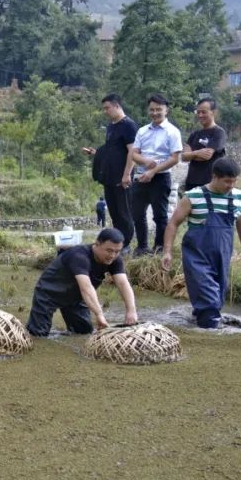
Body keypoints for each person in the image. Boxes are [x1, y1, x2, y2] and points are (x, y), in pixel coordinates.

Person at [162, 158, 241, 329]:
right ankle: (211, 330)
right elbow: (173, 223)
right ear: (214, 177)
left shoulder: (239, 197)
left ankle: (201, 320)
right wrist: (167, 251)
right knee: (208, 296)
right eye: (227, 181)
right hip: (196, 256)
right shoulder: (193, 196)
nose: (231, 185)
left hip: (222, 255)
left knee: (218, 295)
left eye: (234, 181)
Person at [26, 228, 139, 336]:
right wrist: (99, 314)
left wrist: (131, 311)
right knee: (38, 334)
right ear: (97, 244)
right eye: (109, 250)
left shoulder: (115, 260)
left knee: (83, 333)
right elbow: (86, 287)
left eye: (117, 251)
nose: (112, 255)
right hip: (48, 294)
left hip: (75, 298)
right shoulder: (79, 256)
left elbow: (123, 284)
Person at [81, 94, 138, 248]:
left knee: (124, 213)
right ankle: (117, 244)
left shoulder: (129, 125)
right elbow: (110, 150)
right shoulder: (112, 126)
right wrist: (95, 153)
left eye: (107, 108)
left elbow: (132, 151)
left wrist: (127, 174)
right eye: (104, 108)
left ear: (117, 106)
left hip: (122, 178)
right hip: (109, 177)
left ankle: (125, 245)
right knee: (114, 212)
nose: (105, 111)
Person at [128, 94, 183, 255]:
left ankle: (159, 248)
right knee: (137, 214)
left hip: (160, 177)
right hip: (141, 176)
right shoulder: (142, 130)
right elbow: (134, 154)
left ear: (166, 110)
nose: (155, 113)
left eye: (159, 109)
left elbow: (175, 158)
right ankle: (142, 246)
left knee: (160, 216)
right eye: (152, 109)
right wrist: (145, 162)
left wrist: (153, 170)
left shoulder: (172, 132)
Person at [180, 98, 227, 194]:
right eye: (198, 112)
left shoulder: (218, 132)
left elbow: (207, 156)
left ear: (213, 112)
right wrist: (198, 153)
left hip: (210, 183)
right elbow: (184, 157)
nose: (200, 115)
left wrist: (191, 154)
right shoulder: (194, 134)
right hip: (191, 182)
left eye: (204, 112)